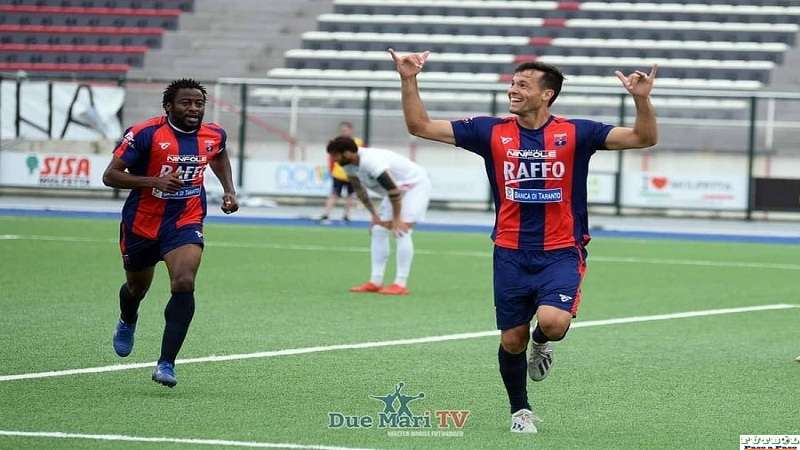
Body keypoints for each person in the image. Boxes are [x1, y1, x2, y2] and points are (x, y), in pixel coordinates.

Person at [389, 49, 657, 432]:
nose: (513, 90)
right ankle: (521, 411)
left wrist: (641, 99)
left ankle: (542, 341)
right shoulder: (489, 130)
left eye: (523, 85)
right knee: (511, 341)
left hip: (561, 250)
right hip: (510, 253)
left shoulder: (577, 132)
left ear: (546, 94)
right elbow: (420, 126)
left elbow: (644, 137)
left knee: (553, 322)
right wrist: (408, 78)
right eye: (513, 84)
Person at [102, 78, 239, 388]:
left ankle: (166, 363)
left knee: (184, 280)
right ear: (168, 106)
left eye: (199, 103)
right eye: (186, 103)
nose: (193, 109)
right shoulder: (145, 133)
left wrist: (229, 190)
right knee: (136, 288)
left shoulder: (214, 133)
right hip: (142, 223)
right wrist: (153, 181)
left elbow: (218, 154)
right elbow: (110, 175)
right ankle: (128, 319)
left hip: (185, 220)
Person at [326, 136, 431, 295]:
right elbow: (360, 191)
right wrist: (374, 215)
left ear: (348, 153)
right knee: (377, 229)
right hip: (396, 191)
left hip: (414, 185)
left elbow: (394, 190)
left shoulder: (371, 161)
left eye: (335, 155)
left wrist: (396, 219)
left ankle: (400, 284)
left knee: (401, 230)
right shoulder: (347, 164)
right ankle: (375, 281)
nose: (333, 159)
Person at [319, 121, 363, 224]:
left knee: (351, 195)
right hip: (339, 174)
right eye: (342, 130)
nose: (343, 132)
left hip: (353, 174)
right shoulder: (337, 143)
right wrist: (331, 169)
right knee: (334, 194)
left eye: (345, 130)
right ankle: (326, 214)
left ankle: (346, 216)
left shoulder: (358, 142)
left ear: (350, 130)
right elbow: (331, 157)